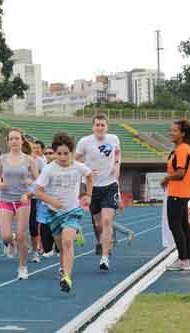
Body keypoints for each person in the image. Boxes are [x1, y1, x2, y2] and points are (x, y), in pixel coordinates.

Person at [35, 132, 93, 293]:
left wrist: (88, 194)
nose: (62, 157)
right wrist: (51, 201)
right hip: (54, 213)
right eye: (59, 153)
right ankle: (64, 263)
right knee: (61, 246)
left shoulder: (78, 166)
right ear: (54, 153)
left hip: (72, 210)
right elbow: (38, 191)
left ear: (72, 153)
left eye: (66, 153)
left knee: (68, 242)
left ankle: (67, 277)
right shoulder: (49, 169)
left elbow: (89, 176)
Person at [76, 113, 121, 272]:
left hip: (110, 185)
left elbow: (117, 153)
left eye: (103, 125)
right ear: (93, 126)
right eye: (97, 125)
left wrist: (116, 165)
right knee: (98, 224)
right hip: (92, 187)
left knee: (107, 220)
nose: (100, 128)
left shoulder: (114, 139)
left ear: (107, 127)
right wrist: (86, 171)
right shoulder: (85, 142)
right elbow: (74, 160)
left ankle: (105, 257)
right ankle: (104, 243)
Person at [0, 128, 38, 279]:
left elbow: (38, 181)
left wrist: (29, 189)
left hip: (22, 200)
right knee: (6, 236)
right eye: (11, 139)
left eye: (16, 138)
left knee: (22, 236)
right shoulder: (2, 159)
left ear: (21, 141)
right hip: (5, 200)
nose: (14, 141)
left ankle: (22, 266)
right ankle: (11, 243)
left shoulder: (29, 160)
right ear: (8, 142)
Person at [161, 120, 190, 271]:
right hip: (182, 192)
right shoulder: (183, 148)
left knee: (176, 226)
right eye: (171, 130)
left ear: (183, 134)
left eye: (174, 131)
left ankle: (183, 259)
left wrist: (167, 178)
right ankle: (188, 258)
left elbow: (180, 173)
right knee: (184, 225)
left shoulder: (182, 150)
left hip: (178, 193)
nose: (171, 133)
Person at [30, 140, 46, 263]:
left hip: (35, 196)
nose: (35, 149)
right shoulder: (24, 159)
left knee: (34, 225)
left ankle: (36, 251)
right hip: (22, 196)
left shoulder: (41, 161)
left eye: (37, 147)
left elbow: (43, 177)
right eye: (33, 147)